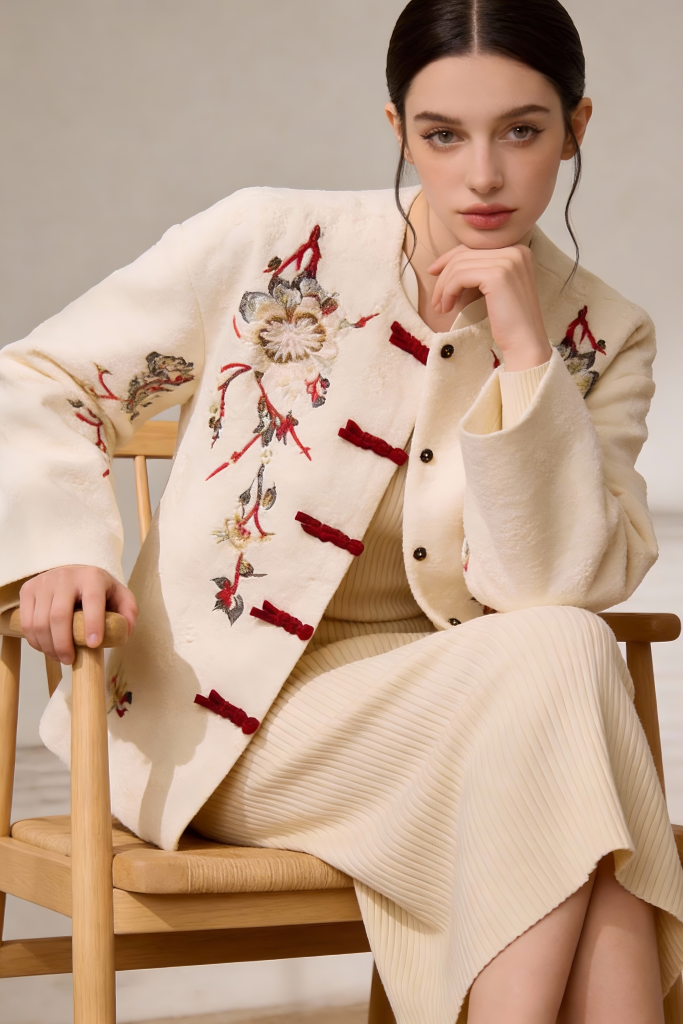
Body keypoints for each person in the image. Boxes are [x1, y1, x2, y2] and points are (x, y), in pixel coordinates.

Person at [0, 0, 681, 1020]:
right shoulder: (270, 242)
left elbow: (553, 586)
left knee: (563, 653)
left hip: (469, 728)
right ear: (396, 128)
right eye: (441, 135)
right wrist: (60, 551)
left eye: (520, 131)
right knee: (584, 761)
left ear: (575, 128)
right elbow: (42, 377)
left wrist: (525, 353)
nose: (482, 175)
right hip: (220, 726)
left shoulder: (604, 333)